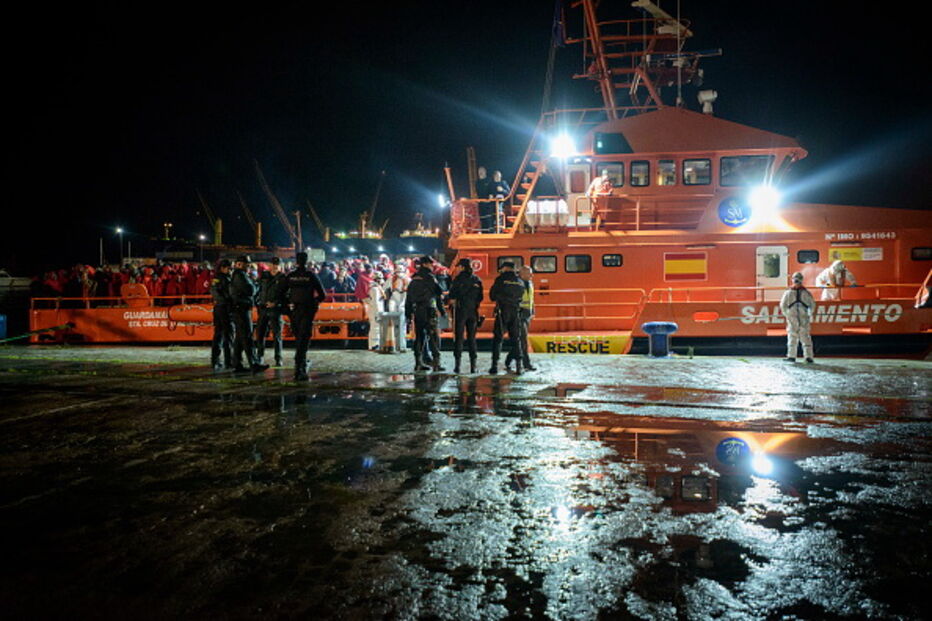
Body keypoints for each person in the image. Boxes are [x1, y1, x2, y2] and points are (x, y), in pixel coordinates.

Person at [284, 251, 326, 381]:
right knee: (304, 338)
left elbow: (280, 293)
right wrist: (314, 302)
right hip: (307, 310)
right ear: (306, 261)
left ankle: (299, 365)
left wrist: (288, 306)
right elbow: (322, 295)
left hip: (294, 310)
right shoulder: (310, 276)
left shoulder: (290, 276)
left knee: (298, 338)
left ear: (296, 261)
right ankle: (300, 367)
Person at [405, 255, 445, 372]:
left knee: (419, 338)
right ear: (425, 264)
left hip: (417, 311)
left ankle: (418, 363)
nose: (432, 266)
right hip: (429, 310)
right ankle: (436, 363)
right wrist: (442, 311)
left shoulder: (414, 279)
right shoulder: (430, 278)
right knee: (434, 337)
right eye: (430, 264)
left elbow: (409, 299)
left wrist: (408, 314)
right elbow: (439, 293)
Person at [230, 255, 268, 373]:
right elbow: (250, 290)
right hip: (242, 309)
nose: (248, 267)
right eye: (247, 265)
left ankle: (237, 363)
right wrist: (256, 285)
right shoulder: (240, 276)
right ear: (240, 264)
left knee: (239, 338)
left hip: (239, 308)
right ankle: (254, 364)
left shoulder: (238, 275)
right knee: (247, 337)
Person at [447, 257, 484, 374]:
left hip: (460, 311)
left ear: (462, 267)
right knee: (472, 339)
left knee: (459, 338)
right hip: (473, 311)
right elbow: (481, 297)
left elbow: (452, 295)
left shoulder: (458, 279)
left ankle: (457, 366)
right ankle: (473, 366)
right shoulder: (477, 279)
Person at [488, 261, 526, 374]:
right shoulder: (520, 282)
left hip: (503, 311)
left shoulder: (500, 279)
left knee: (498, 338)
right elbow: (521, 296)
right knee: (516, 339)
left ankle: (494, 366)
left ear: (505, 268)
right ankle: (519, 366)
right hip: (515, 312)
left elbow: (492, 296)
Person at [256, 257, 287, 366]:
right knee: (260, 334)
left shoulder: (283, 278)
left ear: (280, 266)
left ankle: (278, 358)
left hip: (276, 310)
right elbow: (258, 290)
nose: (274, 266)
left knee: (277, 335)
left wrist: (276, 303)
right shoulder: (264, 276)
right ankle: (259, 356)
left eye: (277, 264)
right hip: (263, 309)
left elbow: (286, 295)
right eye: (273, 264)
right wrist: (258, 302)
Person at [506, 265, 536, 372]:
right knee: (523, 340)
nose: (532, 275)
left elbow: (531, 298)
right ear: (522, 274)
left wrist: (533, 311)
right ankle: (526, 364)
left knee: (521, 339)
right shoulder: (517, 284)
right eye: (529, 273)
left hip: (527, 314)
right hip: (519, 314)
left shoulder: (530, 284)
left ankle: (509, 360)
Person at [780, 271, 815, 363]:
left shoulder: (804, 293)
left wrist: (809, 314)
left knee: (804, 337)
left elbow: (812, 305)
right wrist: (788, 315)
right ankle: (792, 356)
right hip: (794, 318)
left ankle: (808, 357)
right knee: (793, 336)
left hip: (802, 317)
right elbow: (783, 306)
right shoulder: (789, 293)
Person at [210, 259, 234, 371]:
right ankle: (226, 361)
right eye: (229, 268)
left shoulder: (225, 278)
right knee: (226, 335)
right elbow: (215, 293)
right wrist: (227, 301)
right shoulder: (219, 279)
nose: (230, 270)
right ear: (223, 268)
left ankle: (217, 360)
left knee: (220, 336)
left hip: (222, 308)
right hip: (223, 309)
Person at [366, 271, 386, 350]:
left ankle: (373, 344)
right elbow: (376, 302)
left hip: (375, 310)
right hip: (376, 311)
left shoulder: (377, 288)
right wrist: (378, 313)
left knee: (375, 327)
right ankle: (374, 344)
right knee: (375, 328)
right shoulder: (375, 289)